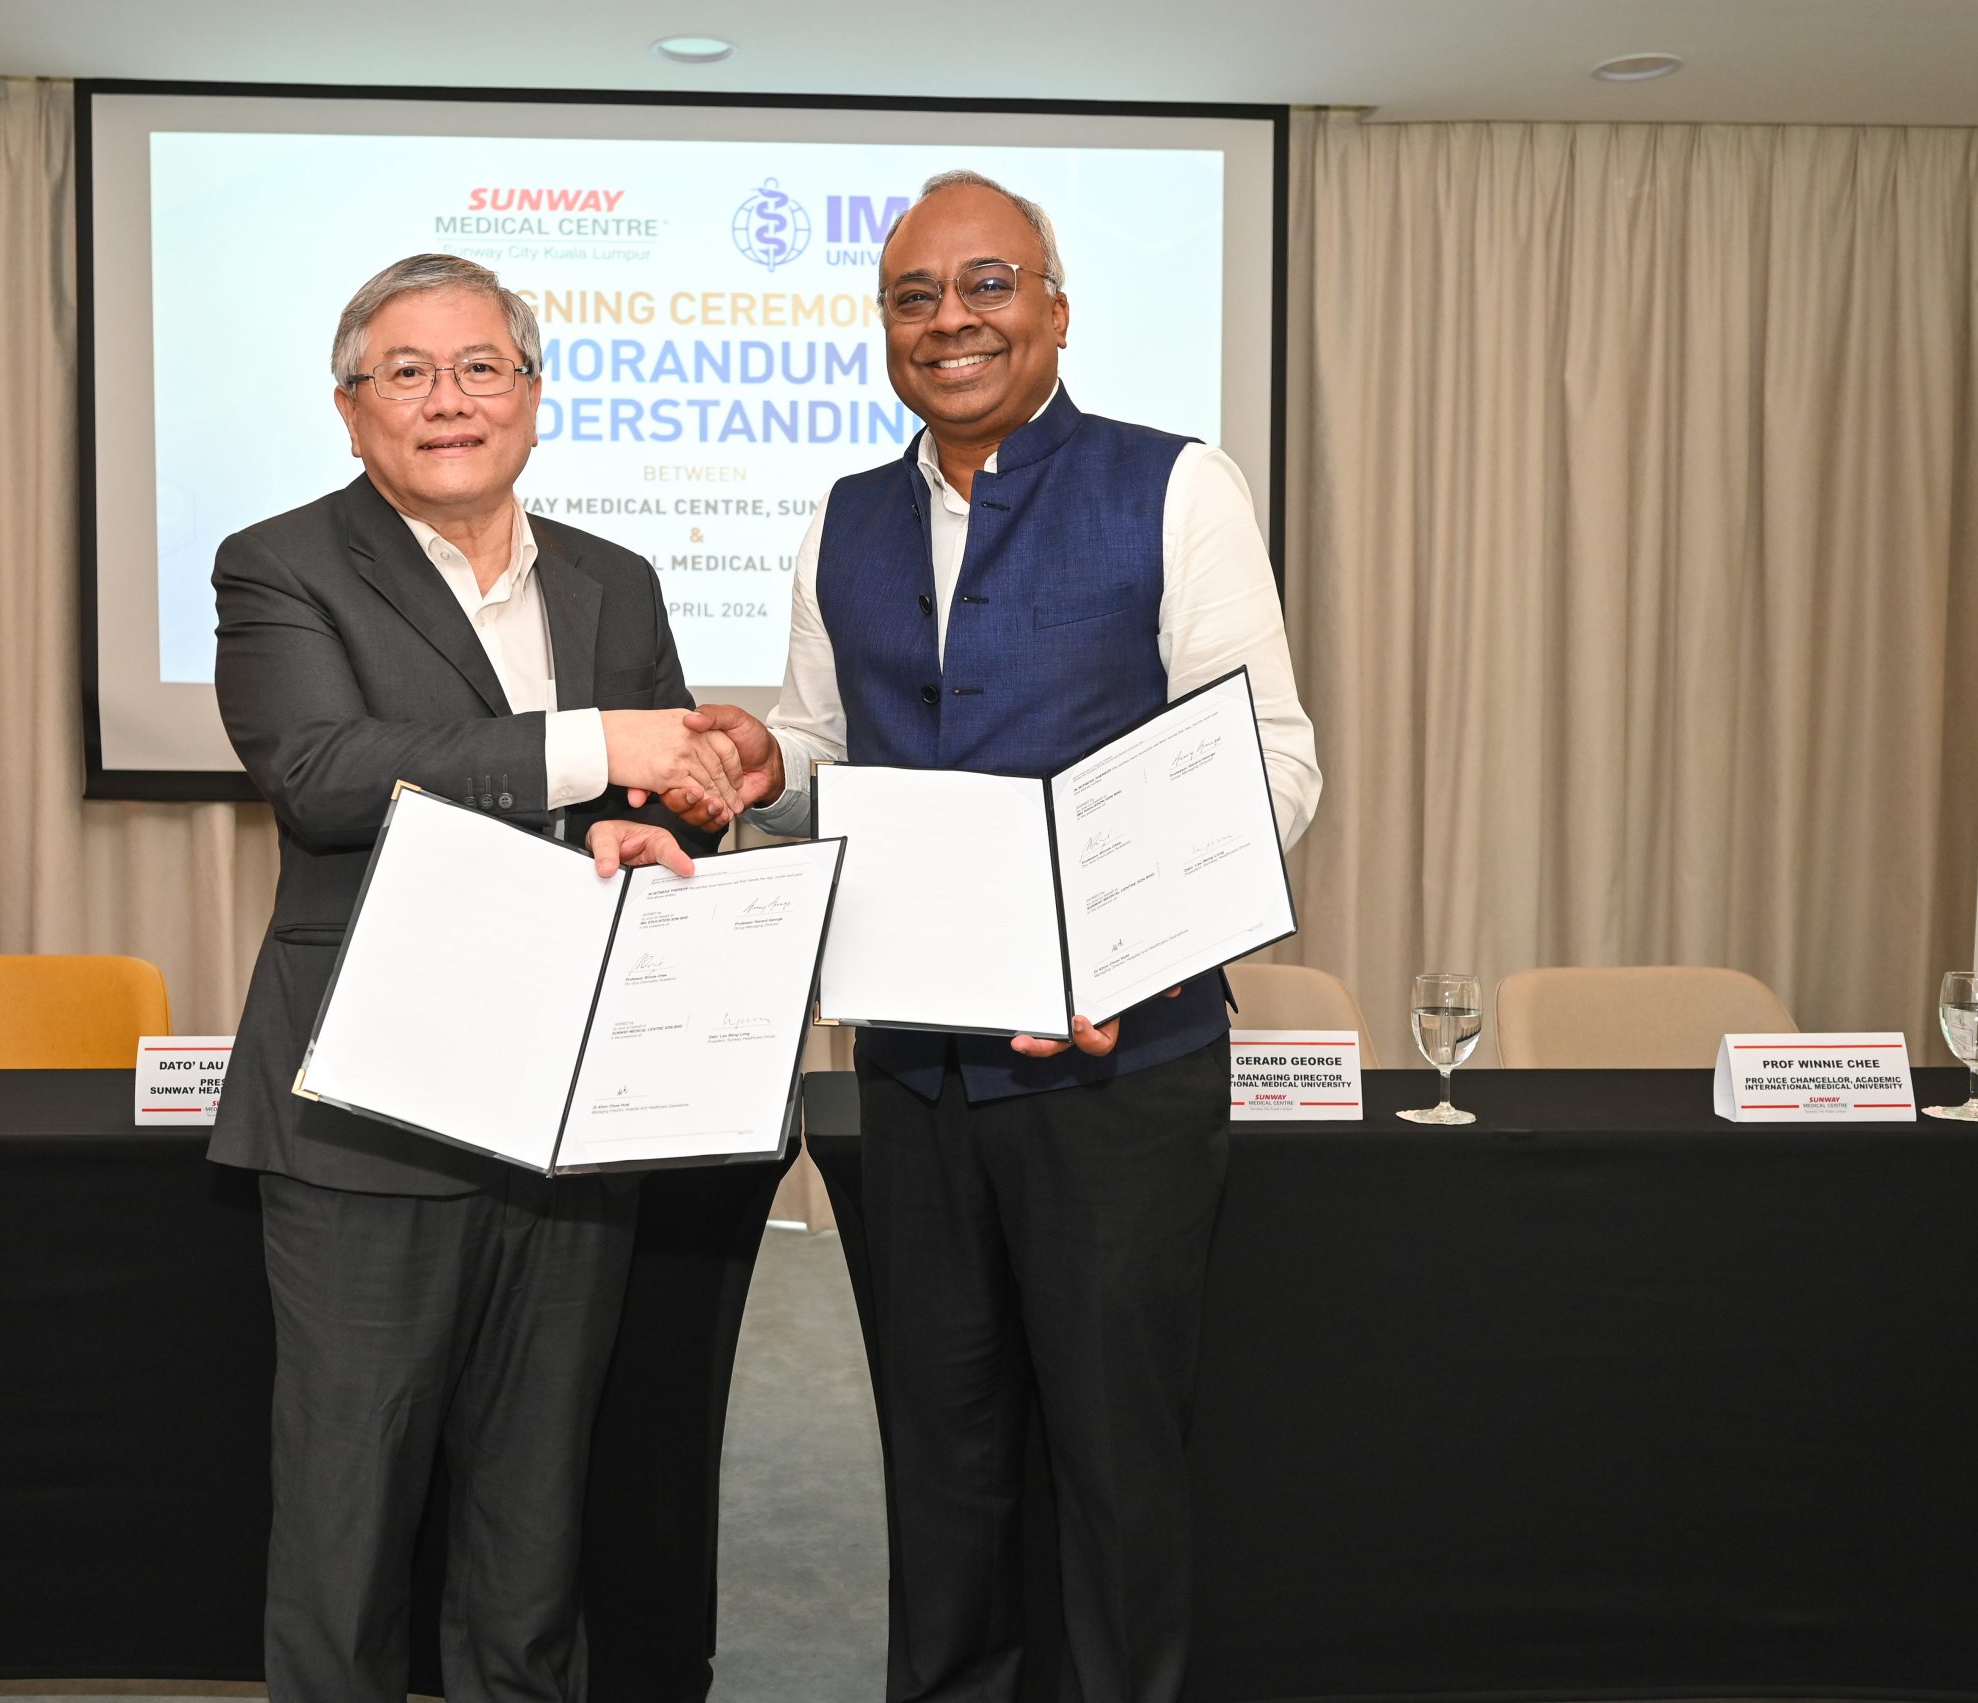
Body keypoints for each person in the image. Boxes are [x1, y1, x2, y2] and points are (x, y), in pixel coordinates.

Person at [678, 173, 1322, 1702]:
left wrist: (1120, 949)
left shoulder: (1176, 486)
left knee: (1115, 1461)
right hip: (911, 1073)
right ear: (884, 326)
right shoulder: (845, 517)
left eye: (987, 285)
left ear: (1053, 307)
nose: (950, 321)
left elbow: (1271, 765)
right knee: (940, 1454)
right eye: (915, 296)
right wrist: (758, 781)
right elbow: (826, 753)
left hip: (1118, 1067)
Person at [206, 252, 755, 1702]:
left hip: (570, 1114)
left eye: (481, 369)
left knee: (531, 1531)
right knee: (348, 1521)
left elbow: (652, 799)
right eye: (408, 372)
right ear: (350, 409)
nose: (448, 401)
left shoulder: (613, 582)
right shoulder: (280, 564)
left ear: (531, 396)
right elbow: (324, 778)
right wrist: (602, 750)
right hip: (366, 1120)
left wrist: (656, 815)